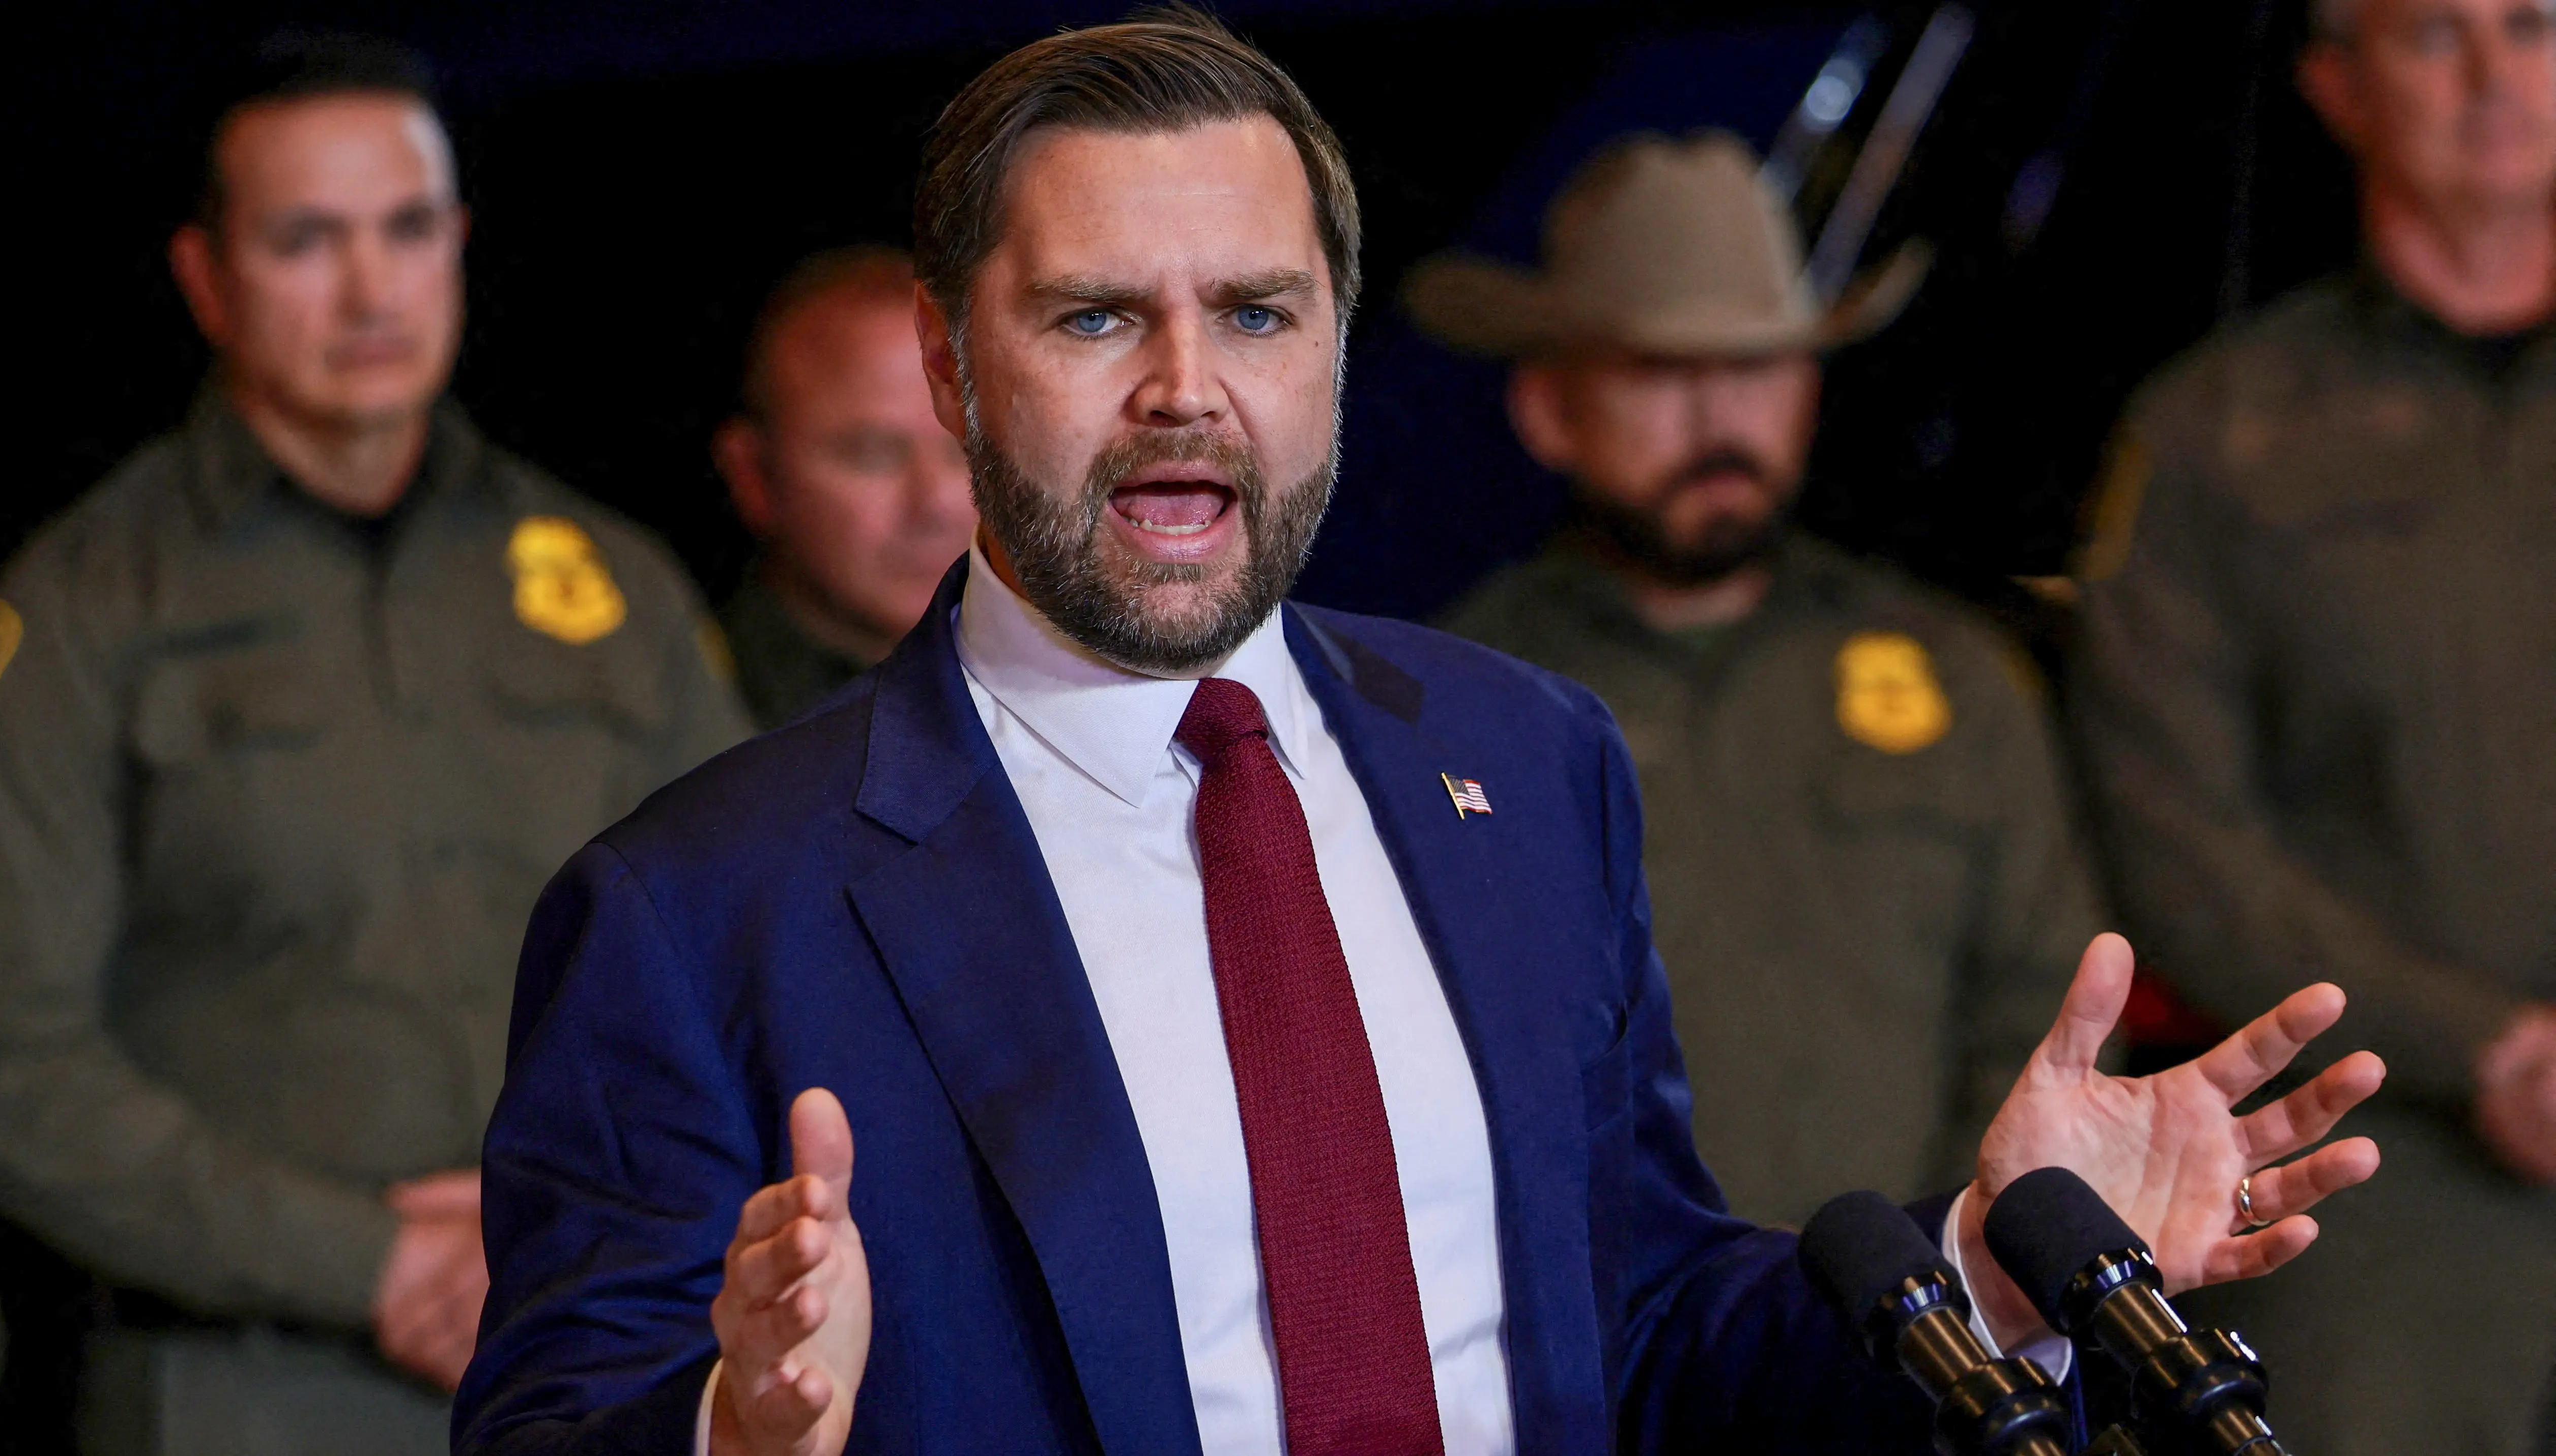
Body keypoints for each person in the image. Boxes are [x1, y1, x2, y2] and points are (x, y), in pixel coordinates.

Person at [457, 15, 2385, 1455]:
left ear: (1336, 352)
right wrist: (733, 1425)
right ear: (954, 369)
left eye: (1261, 315)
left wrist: (1979, 1271)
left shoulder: (1525, 760)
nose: (1187, 393)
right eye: (1095, 320)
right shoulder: (697, 907)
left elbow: (1627, 1324)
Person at [0, 34, 748, 1455]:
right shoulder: (77, 609)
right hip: (237, 1390)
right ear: (206, 276)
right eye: (305, 239)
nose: (371, 289)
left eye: (405, 230)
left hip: (606, 1358)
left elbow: (765, 968)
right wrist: (367, 1260)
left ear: (457, 244)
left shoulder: (616, 586)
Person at [1407, 134, 2106, 1227]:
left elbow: (2045, 1021)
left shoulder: (1960, 681)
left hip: (1919, 1348)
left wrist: (1951, 1272)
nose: (1718, 418)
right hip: (1598, 1366)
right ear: (1550, 409)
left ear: (1810, 394)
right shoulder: (1446, 704)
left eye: (1758, 365)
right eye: (1660, 371)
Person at [2069, 0, 2556, 1448]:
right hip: (2386, 1176)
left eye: (2532, 25)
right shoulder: (2220, 432)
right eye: (2432, 38)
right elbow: (2176, 838)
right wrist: (2489, 1048)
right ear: (2337, 88)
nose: (2490, 79)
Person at [712, 247, 978, 729]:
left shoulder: (1096, 691)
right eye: (874, 455)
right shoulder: (672, 716)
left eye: (966, 449)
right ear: (752, 475)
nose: (938, 503)